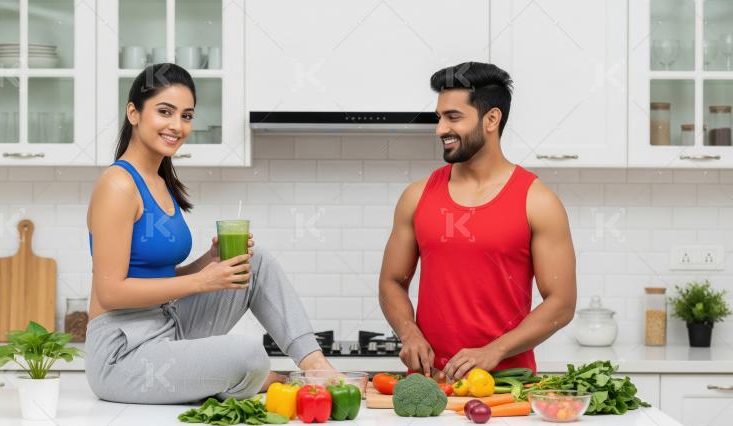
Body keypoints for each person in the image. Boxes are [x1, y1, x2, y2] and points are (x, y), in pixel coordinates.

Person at [84, 63, 334, 404]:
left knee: (253, 260)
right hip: (123, 352)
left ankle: (316, 365)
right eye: (164, 112)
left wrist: (208, 263)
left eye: (186, 115)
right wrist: (202, 281)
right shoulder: (117, 185)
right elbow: (111, 291)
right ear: (134, 113)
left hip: (167, 327)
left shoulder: (158, 181)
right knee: (249, 354)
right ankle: (263, 378)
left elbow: (158, 277)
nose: (177, 125)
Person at [379, 62, 577, 382]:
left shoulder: (538, 202)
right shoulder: (416, 197)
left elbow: (562, 303)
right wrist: (409, 333)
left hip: (507, 388)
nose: (440, 129)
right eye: (439, 117)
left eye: (453, 117)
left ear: (491, 119)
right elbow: (391, 281)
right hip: (431, 384)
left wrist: (494, 351)